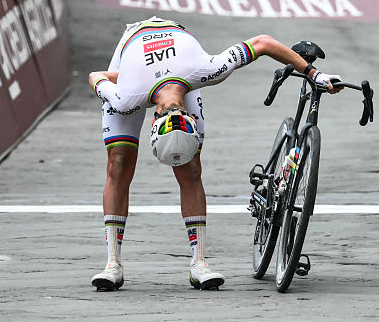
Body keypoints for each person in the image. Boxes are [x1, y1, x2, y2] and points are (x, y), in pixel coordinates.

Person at [86, 17, 343, 292]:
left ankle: (199, 264)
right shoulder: (126, 97)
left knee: (191, 169)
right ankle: (113, 263)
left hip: (162, 59)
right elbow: (97, 76)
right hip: (132, 47)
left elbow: (264, 43)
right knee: (118, 163)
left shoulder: (203, 70)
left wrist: (314, 74)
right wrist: (313, 74)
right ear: (152, 121)